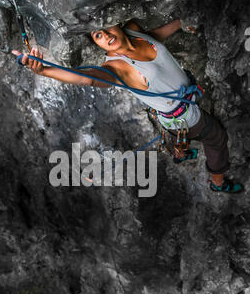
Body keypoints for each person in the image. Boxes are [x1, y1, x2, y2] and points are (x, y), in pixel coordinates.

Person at [12, 19, 243, 194]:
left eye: (104, 27)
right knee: (216, 138)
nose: (104, 35)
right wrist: (45, 70)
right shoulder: (116, 69)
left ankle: (181, 154)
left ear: (115, 23)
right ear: (97, 43)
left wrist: (181, 22)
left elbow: (155, 37)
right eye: (97, 35)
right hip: (185, 116)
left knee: (176, 135)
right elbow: (87, 77)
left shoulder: (133, 27)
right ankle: (217, 182)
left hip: (176, 112)